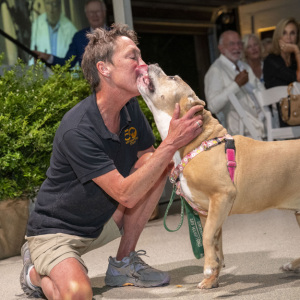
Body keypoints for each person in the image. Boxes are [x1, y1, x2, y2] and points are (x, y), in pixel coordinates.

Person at [19, 24, 204, 299]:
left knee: (157, 162)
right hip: (56, 232)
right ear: (104, 68)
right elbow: (126, 195)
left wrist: (175, 159)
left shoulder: (129, 108)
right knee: (79, 294)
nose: (143, 66)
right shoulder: (77, 128)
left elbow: (150, 162)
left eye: (141, 57)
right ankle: (34, 273)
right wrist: (172, 143)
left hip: (101, 221)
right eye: (133, 58)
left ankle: (124, 263)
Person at [204, 30, 265, 137]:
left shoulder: (244, 66)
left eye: (239, 43)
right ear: (221, 48)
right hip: (241, 133)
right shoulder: (216, 70)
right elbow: (213, 106)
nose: (237, 48)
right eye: (232, 44)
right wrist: (236, 85)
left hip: (263, 125)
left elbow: (261, 92)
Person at [34, 0, 108, 69]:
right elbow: (67, 63)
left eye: (98, 11)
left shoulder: (115, 35)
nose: (94, 15)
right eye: (91, 12)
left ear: (104, 12)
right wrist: (48, 57)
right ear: (87, 15)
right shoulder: (79, 37)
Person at [263, 17, 300, 127]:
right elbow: (298, 78)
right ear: (278, 36)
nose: (288, 38)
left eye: (292, 33)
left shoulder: (294, 60)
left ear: (297, 36)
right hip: (284, 116)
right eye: (284, 33)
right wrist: (296, 50)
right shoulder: (271, 60)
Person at [29, 0, 77, 65]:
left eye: (54, 5)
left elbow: (73, 62)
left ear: (59, 6)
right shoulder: (37, 25)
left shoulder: (71, 29)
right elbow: (32, 55)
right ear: (44, 5)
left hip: (62, 73)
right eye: (48, 3)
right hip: (43, 73)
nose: (51, 10)